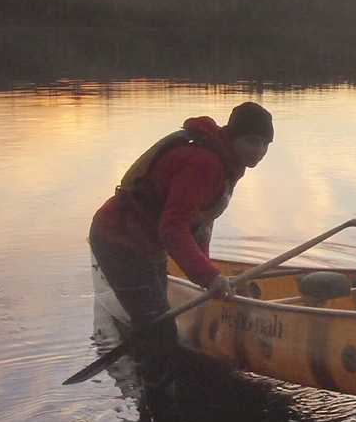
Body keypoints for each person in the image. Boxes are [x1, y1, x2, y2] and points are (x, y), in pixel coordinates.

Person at [89, 102, 275, 366]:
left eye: (265, 144)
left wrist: (205, 271)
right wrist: (209, 277)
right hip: (120, 241)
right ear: (233, 137)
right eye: (251, 141)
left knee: (158, 311)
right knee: (159, 329)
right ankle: (157, 397)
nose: (259, 151)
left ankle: (158, 374)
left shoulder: (228, 161)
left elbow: (200, 221)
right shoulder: (205, 164)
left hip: (147, 241)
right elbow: (172, 228)